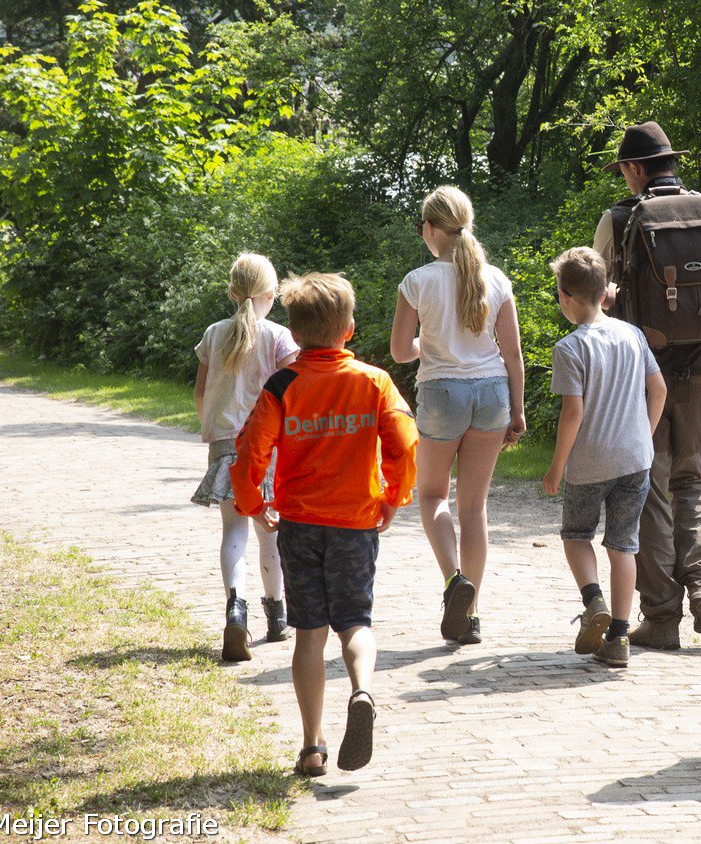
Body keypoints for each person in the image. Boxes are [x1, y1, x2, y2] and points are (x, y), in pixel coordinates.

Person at [232, 272, 418, 777]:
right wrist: (394, 497)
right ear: (350, 329)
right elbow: (403, 441)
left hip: (299, 524)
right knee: (355, 622)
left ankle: (313, 746)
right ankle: (361, 690)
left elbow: (251, 450)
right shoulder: (374, 380)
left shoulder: (283, 383)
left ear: (292, 333)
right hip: (356, 522)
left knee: (309, 633)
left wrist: (254, 503)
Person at [593, 121, 701, 650]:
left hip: (646, 369)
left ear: (635, 169)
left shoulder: (619, 219)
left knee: (650, 485)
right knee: (694, 476)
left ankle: (661, 617)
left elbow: (602, 298)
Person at [390, 186, 527, 646]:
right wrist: (519, 411)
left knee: (431, 495)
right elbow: (512, 355)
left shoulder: (416, 281)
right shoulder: (497, 279)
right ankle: (470, 617)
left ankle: (453, 581)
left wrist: (427, 344)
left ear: (430, 229)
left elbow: (399, 351)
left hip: (441, 393)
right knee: (475, 508)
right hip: (492, 395)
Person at [543, 248, 668, 667]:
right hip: (636, 459)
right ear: (603, 292)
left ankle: (592, 600)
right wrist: (642, 438)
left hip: (589, 463)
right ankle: (618, 638)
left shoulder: (570, 348)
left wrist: (556, 467)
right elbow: (660, 390)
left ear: (566, 297)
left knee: (576, 534)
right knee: (623, 545)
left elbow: (573, 413)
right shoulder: (633, 335)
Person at [191, 253, 301, 662]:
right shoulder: (279, 337)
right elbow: (294, 393)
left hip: (223, 444)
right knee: (269, 532)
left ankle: (235, 610)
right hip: (267, 446)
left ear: (231, 292)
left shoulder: (214, 334)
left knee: (232, 531)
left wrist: (214, 428)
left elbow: (202, 394)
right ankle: (277, 614)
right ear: (272, 294)